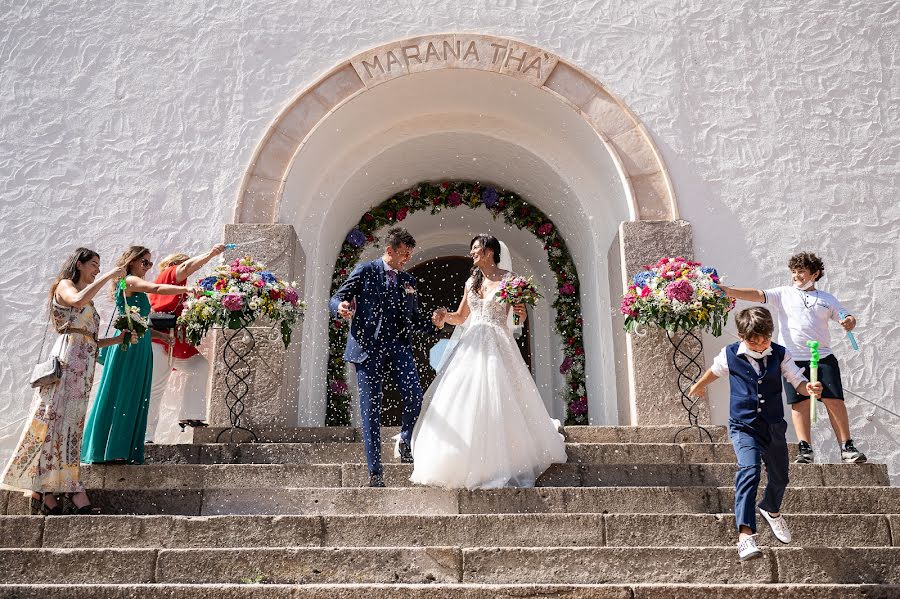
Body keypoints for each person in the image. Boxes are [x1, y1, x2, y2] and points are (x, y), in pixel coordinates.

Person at [410, 234, 566, 489]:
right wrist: (442, 316)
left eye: (476, 248)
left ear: (490, 251)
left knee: (498, 394)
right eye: (471, 248)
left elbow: (517, 323)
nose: (472, 252)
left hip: (498, 341)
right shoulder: (471, 282)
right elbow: (460, 317)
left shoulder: (510, 280)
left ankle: (502, 458)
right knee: (465, 397)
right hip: (472, 343)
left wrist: (520, 314)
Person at [1, 248, 127, 514]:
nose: (97, 270)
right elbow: (77, 302)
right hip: (67, 362)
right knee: (54, 421)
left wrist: (117, 340)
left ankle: (55, 487)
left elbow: (90, 338)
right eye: (94, 264)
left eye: (99, 266)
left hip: (83, 368)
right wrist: (109, 278)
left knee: (71, 428)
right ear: (79, 264)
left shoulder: (88, 300)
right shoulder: (66, 286)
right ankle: (59, 488)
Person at [689, 307, 821, 560]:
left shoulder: (781, 354)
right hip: (743, 425)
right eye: (753, 340)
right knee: (749, 470)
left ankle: (771, 509)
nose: (760, 344)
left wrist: (809, 388)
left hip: (772, 425)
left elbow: (798, 382)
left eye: (765, 338)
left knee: (780, 477)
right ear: (741, 336)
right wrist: (698, 386)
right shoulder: (730, 354)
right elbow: (714, 371)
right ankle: (745, 536)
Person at [717, 252, 867, 464]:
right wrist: (730, 291)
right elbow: (757, 294)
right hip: (792, 358)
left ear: (815, 274)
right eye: (794, 272)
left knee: (834, 400)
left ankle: (847, 446)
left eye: (801, 272)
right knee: (799, 402)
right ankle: (805, 449)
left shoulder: (826, 299)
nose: (796, 276)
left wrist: (849, 321)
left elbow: (844, 315)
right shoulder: (783, 293)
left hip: (823, 357)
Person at [329, 227, 439, 487]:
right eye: (403, 254)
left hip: (399, 346)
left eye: (410, 255)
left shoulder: (408, 282)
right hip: (368, 349)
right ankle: (375, 472)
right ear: (389, 251)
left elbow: (415, 319)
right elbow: (336, 298)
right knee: (371, 410)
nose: (407, 259)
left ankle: (404, 438)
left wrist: (434, 322)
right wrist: (341, 308)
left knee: (414, 395)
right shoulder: (366, 271)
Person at [81, 246, 192, 465]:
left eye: (150, 263)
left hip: (139, 343)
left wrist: (160, 334)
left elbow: (140, 321)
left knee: (134, 395)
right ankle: (107, 450)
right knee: (122, 393)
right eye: (145, 262)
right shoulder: (130, 281)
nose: (148, 267)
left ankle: (120, 449)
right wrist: (186, 290)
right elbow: (157, 288)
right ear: (131, 262)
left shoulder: (134, 284)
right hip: (127, 345)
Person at [145, 244, 225, 442]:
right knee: (155, 389)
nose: (186, 271)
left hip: (176, 344)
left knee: (199, 365)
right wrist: (211, 254)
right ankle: (145, 436)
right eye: (183, 265)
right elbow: (188, 267)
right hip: (161, 341)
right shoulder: (169, 275)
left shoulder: (179, 289)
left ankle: (191, 414)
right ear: (174, 265)